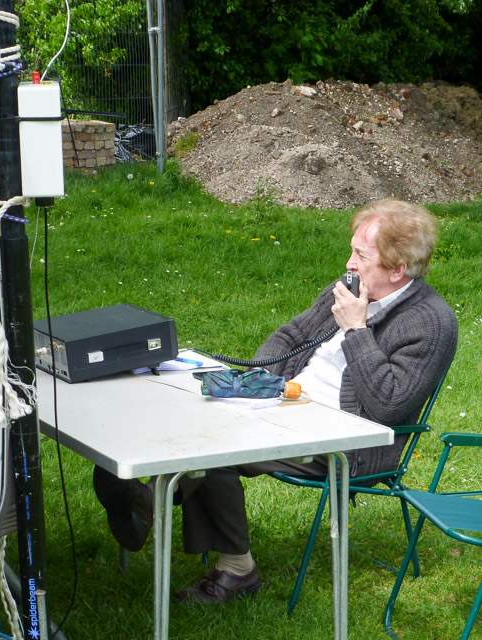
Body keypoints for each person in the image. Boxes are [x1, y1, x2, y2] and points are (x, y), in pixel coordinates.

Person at [93, 198, 458, 604]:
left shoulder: (430, 322)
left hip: (349, 438)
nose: (349, 263)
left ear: (397, 269)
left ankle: (233, 567)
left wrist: (357, 329)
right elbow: (289, 337)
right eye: (352, 251)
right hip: (289, 404)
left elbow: (388, 404)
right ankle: (151, 503)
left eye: (361, 255)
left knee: (217, 447)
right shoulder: (349, 288)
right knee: (197, 411)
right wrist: (260, 383)